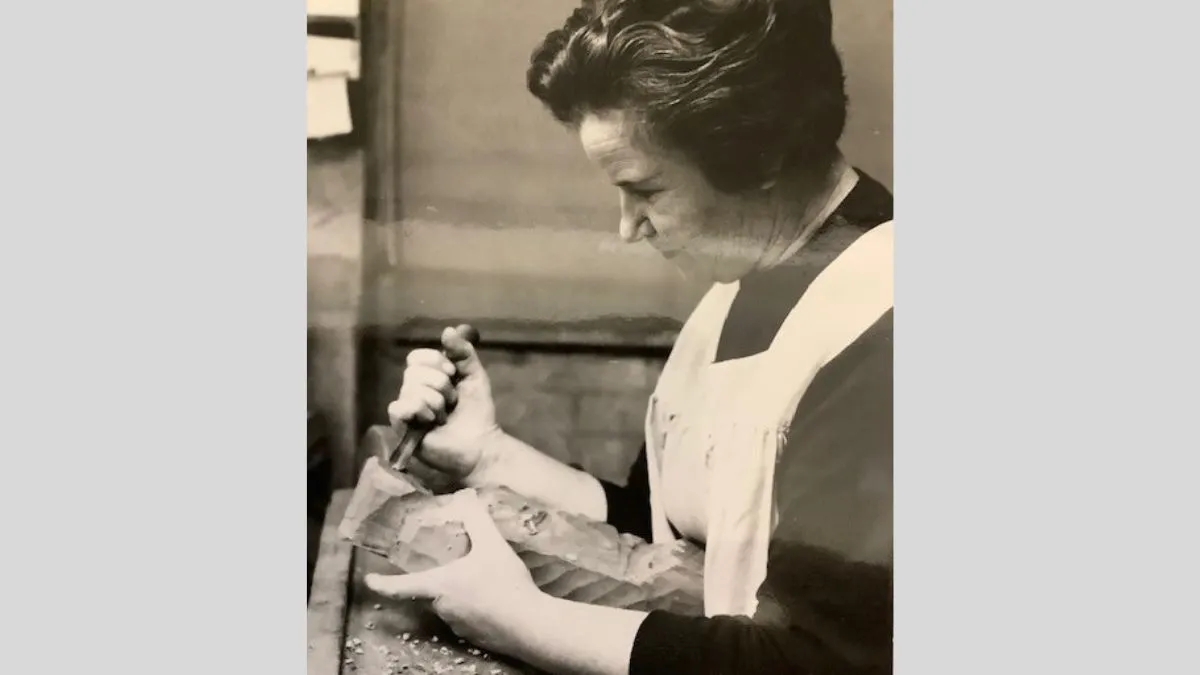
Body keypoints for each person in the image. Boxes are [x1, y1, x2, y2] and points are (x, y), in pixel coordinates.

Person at [365, 0, 894, 673]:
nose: (628, 227)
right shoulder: (737, 288)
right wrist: (488, 455)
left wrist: (522, 619)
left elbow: (813, 659)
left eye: (644, 189)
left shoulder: (883, 330)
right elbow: (675, 540)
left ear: (762, 156)